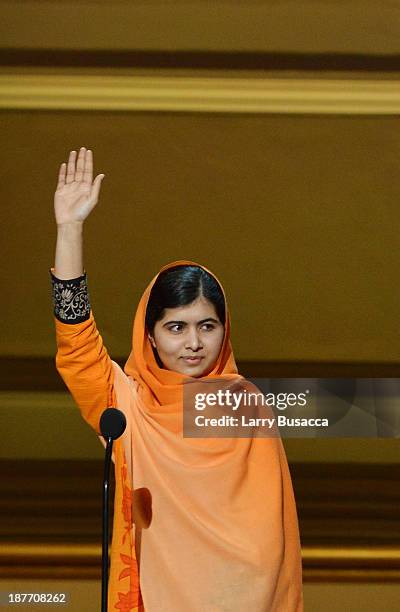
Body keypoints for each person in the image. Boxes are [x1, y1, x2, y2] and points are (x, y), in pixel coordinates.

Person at [50, 147, 304, 611]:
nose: (193, 343)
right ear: (150, 333)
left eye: (207, 326)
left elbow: (267, 541)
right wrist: (70, 230)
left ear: (225, 331)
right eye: (176, 327)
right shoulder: (128, 406)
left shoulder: (244, 407)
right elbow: (78, 345)